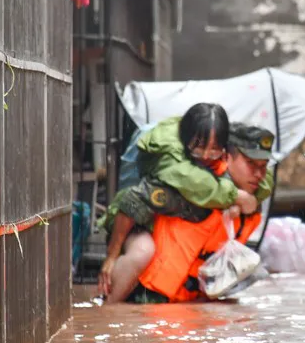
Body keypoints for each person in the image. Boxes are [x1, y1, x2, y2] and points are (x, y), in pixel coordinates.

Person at [97, 104, 270, 303]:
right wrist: (111, 256)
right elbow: (131, 203)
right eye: (199, 147)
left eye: (213, 150)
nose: (206, 156)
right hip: (134, 224)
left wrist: (238, 203)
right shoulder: (181, 177)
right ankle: (106, 307)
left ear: (224, 150)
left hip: (181, 280)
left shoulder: (232, 182)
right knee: (142, 251)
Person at [131, 123, 277, 303]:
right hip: (154, 299)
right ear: (226, 156)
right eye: (251, 163)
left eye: (264, 166)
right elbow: (133, 199)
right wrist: (114, 256)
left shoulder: (252, 198)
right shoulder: (196, 188)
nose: (259, 174)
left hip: (198, 301)